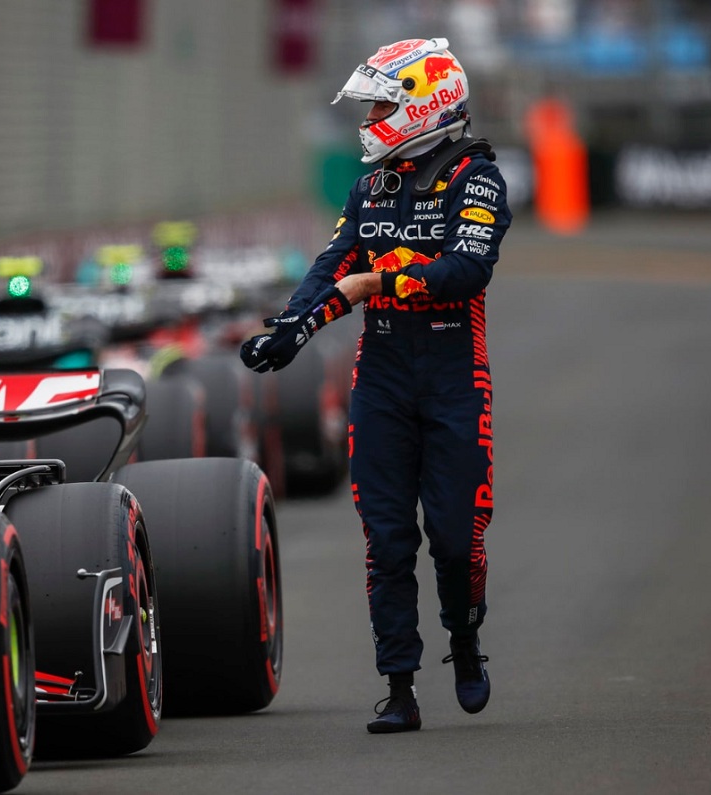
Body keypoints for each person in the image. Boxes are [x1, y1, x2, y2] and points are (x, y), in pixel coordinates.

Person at [241, 37, 511, 733]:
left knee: (455, 539)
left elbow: (467, 271)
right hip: (383, 379)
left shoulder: (476, 179)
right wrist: (290, 327)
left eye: (385, 102)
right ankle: (399, 687)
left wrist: (377, 282)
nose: (373, 116)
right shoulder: (371, 186)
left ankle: (464, 640)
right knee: (387, 540)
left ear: (427, 102)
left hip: (455, 378)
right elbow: (334, 266)